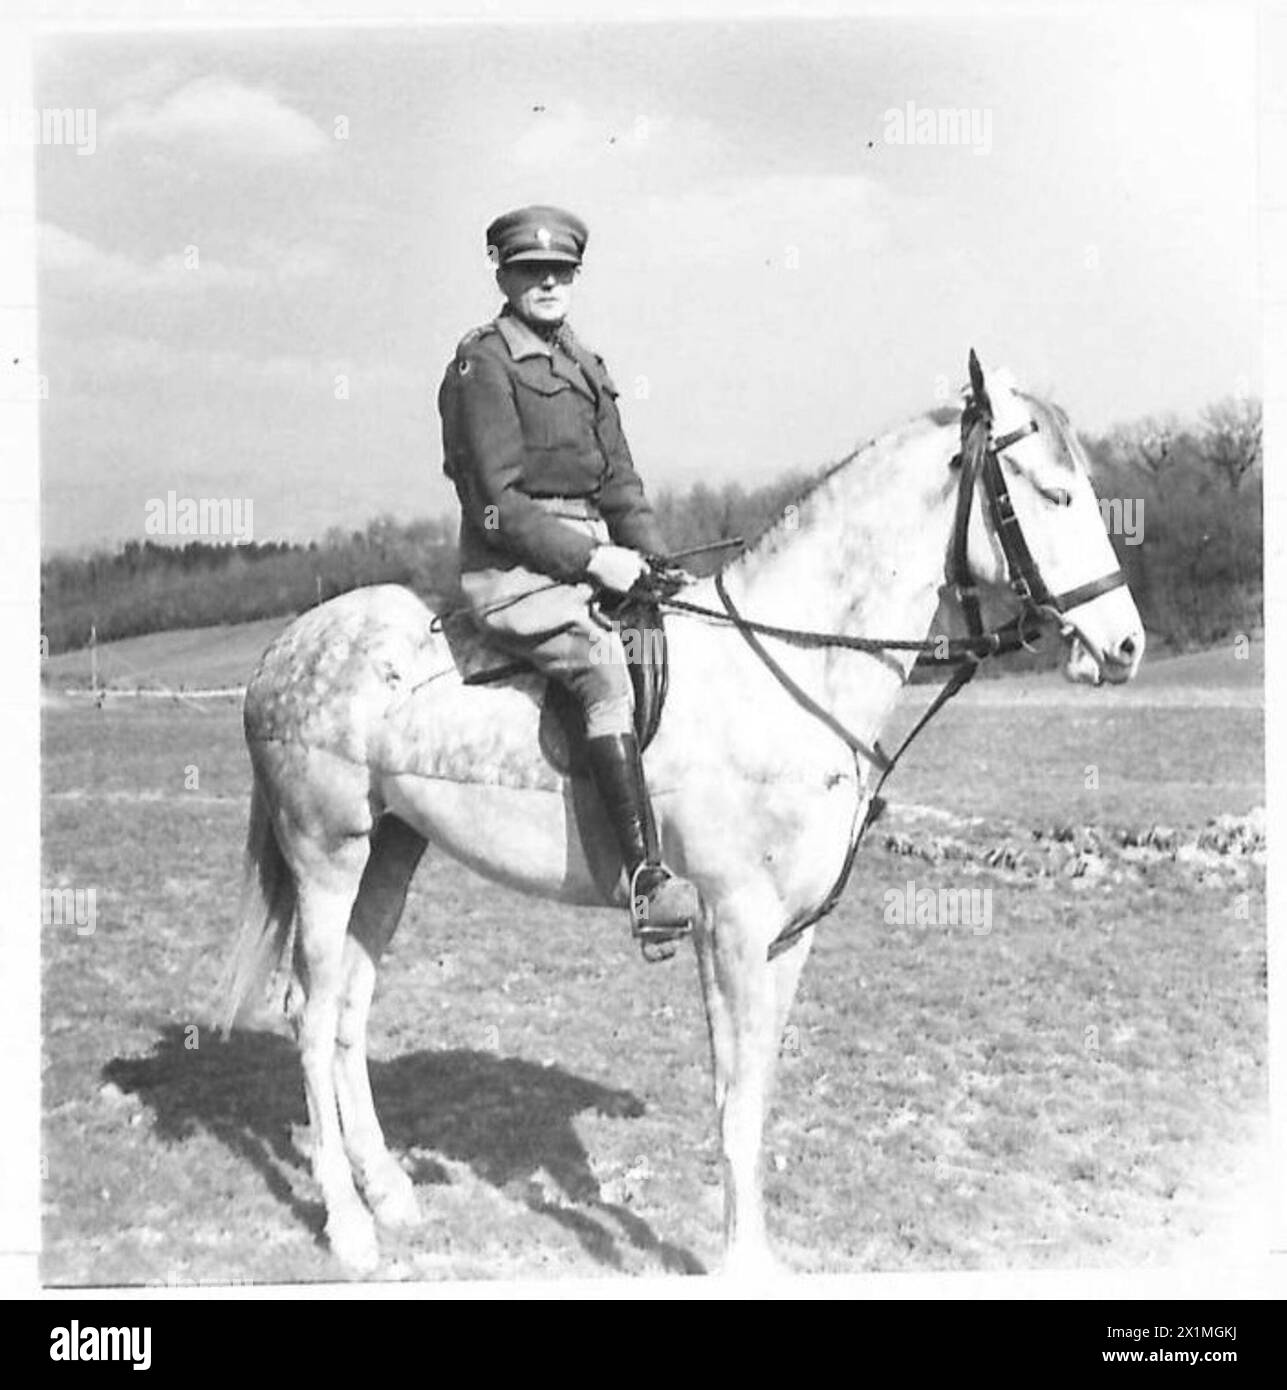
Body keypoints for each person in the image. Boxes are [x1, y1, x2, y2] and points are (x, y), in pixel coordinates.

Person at [438, 204, 699, 946]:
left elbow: (620, 484)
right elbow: (496, 503)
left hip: (597, 567)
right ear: (502, 272)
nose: (548, 283)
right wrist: (591, 558)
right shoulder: (481, 362)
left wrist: (650, 558)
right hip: (514, 572)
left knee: (675, 642)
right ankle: (646, 878)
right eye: (531, 271)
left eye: (560, 272)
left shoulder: (584, 364)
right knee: (602, 668)